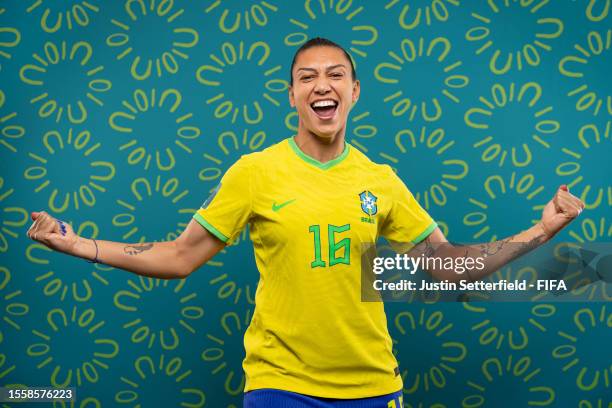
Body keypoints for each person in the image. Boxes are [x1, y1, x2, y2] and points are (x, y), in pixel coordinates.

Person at [27, 37, 585, 407]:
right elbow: (179, 257)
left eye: (336, 75)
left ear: (354, 92)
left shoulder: (381, 180)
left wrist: (542, 231)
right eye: (308, 77)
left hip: (372, 386)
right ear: (292, 95)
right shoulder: (255, 173)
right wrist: (80, 246)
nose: (323, 85)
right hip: (281, 386)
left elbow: (448, 272)